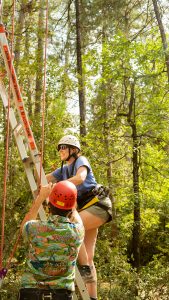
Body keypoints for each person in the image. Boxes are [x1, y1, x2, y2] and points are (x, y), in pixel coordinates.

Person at [46, 135, 112, 300]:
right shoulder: (63, 169)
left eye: (64, 147)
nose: (60, 150)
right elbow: (44, 179)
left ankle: (82, 272)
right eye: (59, 147)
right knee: (88, 257)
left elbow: (80, 178)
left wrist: (59, 185)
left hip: (98, 205)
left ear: (73, 150)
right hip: (88, 209)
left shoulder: (80, 161)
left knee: (73, 229)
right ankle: (93, 297)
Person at [18, 180, 84, 300]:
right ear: (72, 207)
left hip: (31, 292)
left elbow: (24, 227)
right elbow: (77, 217)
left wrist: (41, 197)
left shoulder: (34, 228)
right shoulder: (77, 232)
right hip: (62, 295)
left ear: (49, 206)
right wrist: (69, 200)